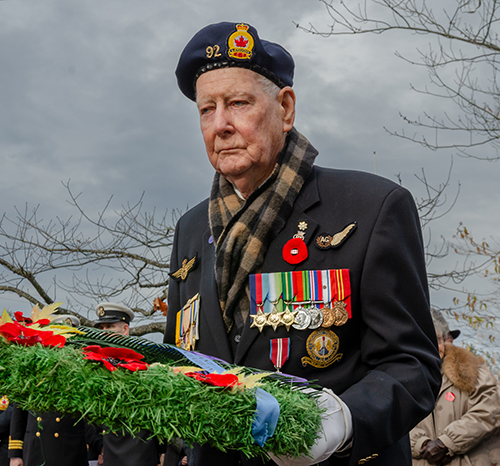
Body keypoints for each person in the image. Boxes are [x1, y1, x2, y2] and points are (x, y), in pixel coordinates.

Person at [164, 21, 442, 465]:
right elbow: (180, 361)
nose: (220, 125)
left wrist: (347, 420)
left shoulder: (372, 207)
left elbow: (414, 366)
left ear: (285, 108)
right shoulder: (191, 228)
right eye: (206, 109)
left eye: (238, 103)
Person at [411, 311, 500, 465]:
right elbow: (391, 421)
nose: (433, 346)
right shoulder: (400, 377)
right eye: (426, 339)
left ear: (445, 340)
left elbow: (490, 409)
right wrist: (421, 444)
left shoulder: (474, 369)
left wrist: (446, 442)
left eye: (437, 339)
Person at [8, 315, 89, 466]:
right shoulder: (32, 368)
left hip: (71, 451)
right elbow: (18, 413)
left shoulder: (81, 371)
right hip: (36, 449)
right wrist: (15, 454)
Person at [93, 303, 163, 466]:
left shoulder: (145, 359)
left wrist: (163, 450)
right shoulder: (97, 362)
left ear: (125, 329)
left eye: (110, 327)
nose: (104, 332)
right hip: (110, 450)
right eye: (102, 328)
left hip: (140, 449)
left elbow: (159, 406)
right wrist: (100, 446)